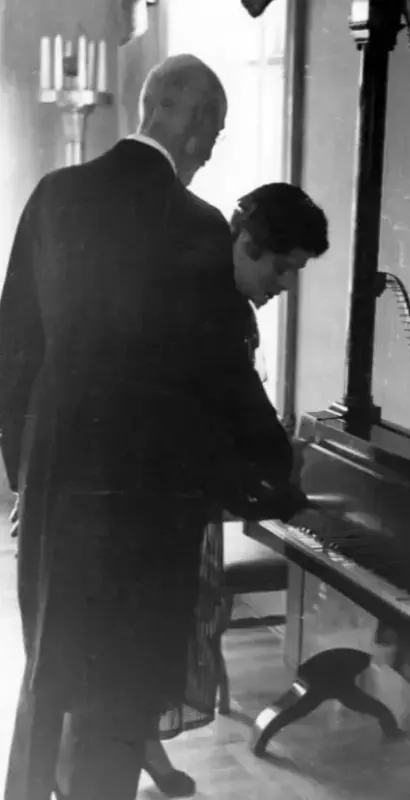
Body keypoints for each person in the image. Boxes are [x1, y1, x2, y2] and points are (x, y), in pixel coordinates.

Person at [0, 54, 303, 800]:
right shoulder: (198, 228)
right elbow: (219, 376)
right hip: (145, 508)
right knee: (119, 692)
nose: (210, 151)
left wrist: (26, 473)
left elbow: (14, 351)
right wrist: (275, 461)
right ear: (190, 119)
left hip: (55, 490)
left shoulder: (54, 195)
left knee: (48, 671)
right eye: (214, 133)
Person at [141, 182, 329, 795]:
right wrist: (280, 492)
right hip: (146, 496)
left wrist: (278, 469)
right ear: (247, 243)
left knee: (151, 637)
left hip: (171, 493)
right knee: (134, 639)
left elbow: (244, 405)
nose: (285, 284)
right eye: (281, 267)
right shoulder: (201, 304)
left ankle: (139, 748)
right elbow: (212, 422)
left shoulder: (227, 304)